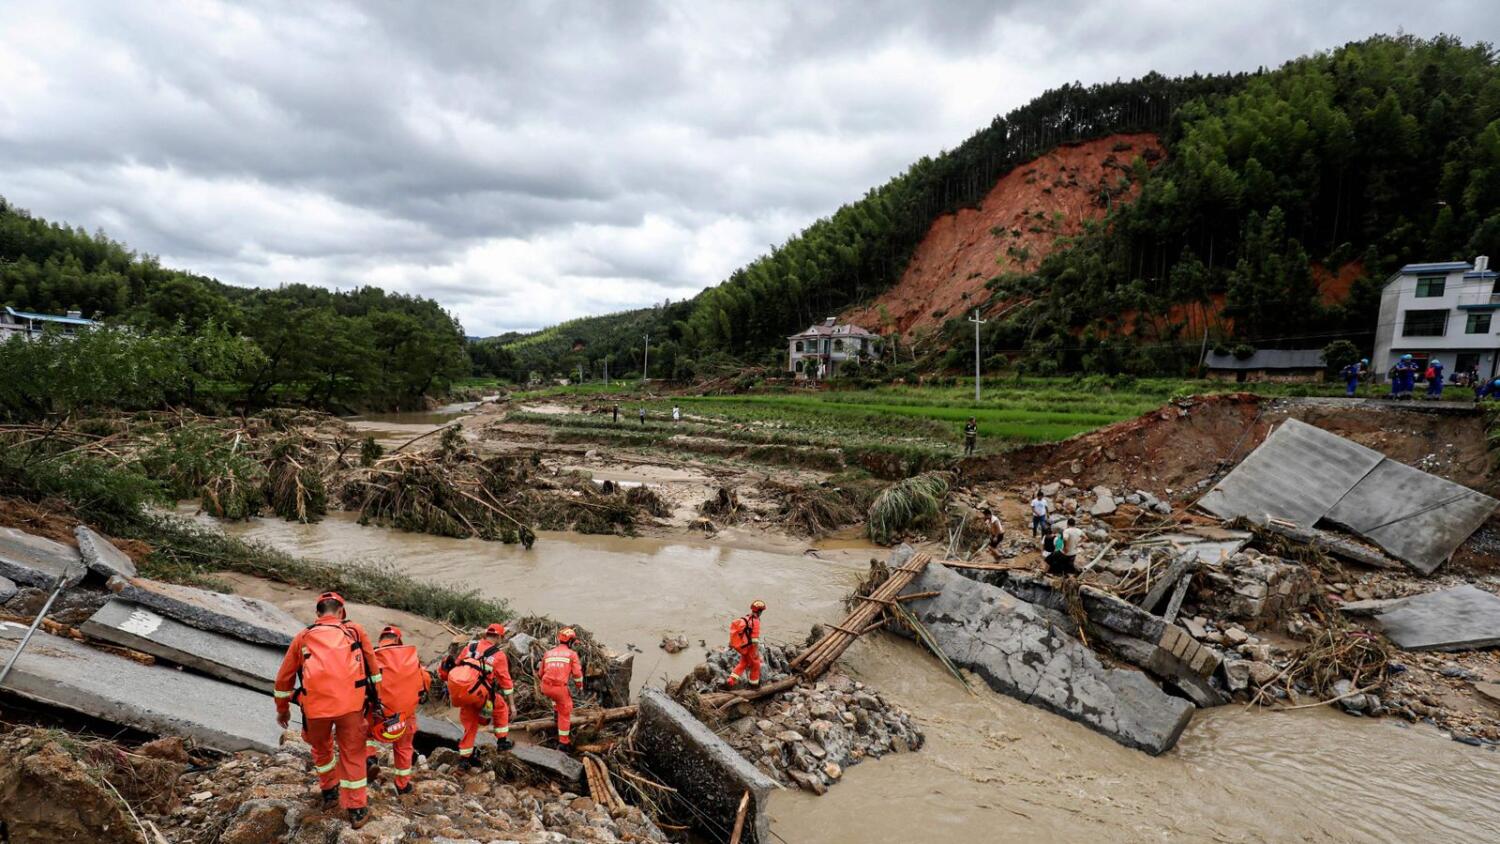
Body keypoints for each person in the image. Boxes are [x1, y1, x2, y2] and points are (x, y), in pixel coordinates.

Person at [273, 592, 380, 829]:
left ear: (317, 613)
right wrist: (376, 702)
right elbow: (374, 671)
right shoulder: (355, 631)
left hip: (315, 709)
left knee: (321, 749)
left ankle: (330, 792)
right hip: (351, 706)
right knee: (353, 752)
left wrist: (283, 710)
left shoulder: (303, 637)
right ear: (341, 612)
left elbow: (283, 679)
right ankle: (357, 809)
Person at [439, 623, 514, 769]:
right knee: (500, 708)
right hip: (481, 695)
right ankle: (502, 742)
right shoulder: (498, 655)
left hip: (464, 693)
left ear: (486, 634)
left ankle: (464, 760)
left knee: (470, 726)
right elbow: (506, 682)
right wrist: (512, 704)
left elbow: (456, 666)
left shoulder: (470, 647)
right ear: (499, 637)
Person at [366, 625, 430, 795]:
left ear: (381, 639)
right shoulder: (412, 659)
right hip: (404, 716)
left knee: (364, 733)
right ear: (398, 640)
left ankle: (370, 758)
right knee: (404, 747)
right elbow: (425, 684)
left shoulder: (373, 657)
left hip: (379, 715)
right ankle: (402, 784)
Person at [540, 628, 585, 750]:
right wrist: (579, 687)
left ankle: (555, 713)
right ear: (570, 642)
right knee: (565, 711)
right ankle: (564, 743)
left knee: (555, 697)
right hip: (558, 689)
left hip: (545, 686)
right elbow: (577, 674)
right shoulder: (572, 654)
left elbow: (540, 673)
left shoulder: (548, 653)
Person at [725, 600, 766, 690]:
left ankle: (731, 680)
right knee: (756, 665)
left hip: (744, 646)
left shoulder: (747, 617)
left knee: (742, 664)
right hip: (751, 648)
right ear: (759, 611)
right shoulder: (756, 621)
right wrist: (755, 652)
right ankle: (754, 685)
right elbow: (754, 639)